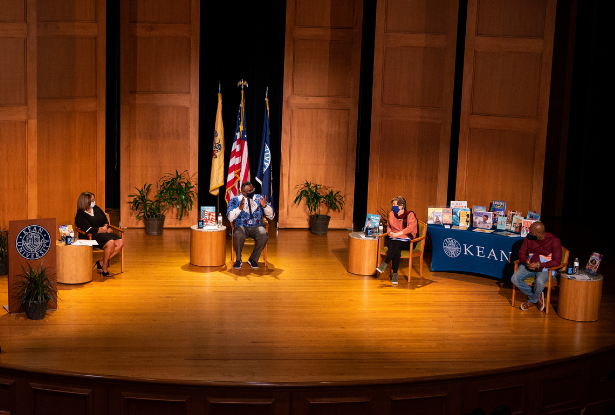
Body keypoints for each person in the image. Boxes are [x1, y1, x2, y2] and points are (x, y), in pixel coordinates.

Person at [511, 221, 562, 311]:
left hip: (544, 268)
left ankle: (532, 300)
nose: (529, 233)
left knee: (539, 282)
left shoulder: (554, 240)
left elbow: (557, 262)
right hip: (529, 265)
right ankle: (536, 297)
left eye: (531, 232)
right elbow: (522, 253)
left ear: (539, 233)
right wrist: (525, 261)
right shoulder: (529, 237)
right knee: (514, 278)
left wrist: (540, 265)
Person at [227, 181, 275, 269]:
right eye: (249, 191)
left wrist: (265, 206)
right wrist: (239, 208)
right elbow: (230, 218)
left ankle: (253, 259)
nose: (252, 192)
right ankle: (238, 260)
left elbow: (271, 215)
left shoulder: (259, 198)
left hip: (257, 226)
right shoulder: (235, 200)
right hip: (241, 226)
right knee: (237, 235)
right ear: (242, 192)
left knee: (263, 235)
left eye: (252, 190)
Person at [75, 192, 124, 277]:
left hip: (103, 233)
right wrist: (100, 230)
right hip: (90, 236)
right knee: (110, 243)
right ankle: (104, 267)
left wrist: (106, 227)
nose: (94, 202)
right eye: (92, 200)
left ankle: (101, 262)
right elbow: (87, 229)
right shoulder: (80, 214)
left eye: (94, 200)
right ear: (85, 201)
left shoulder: (96, 209)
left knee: (120, 242)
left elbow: (105, 220)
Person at [375, 196, 418, 285]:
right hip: (394, 238)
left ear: (401, 206)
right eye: (392, 205)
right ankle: (395, 274)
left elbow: (410, 228)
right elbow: (388, 226)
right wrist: (390, 232)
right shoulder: (391, 214)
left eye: (394, 205)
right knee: (396, 248)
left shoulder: (410, 215)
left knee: (396, 243)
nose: (392, 206)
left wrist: (398, 234)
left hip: (408, 241)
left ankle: (385, 263)